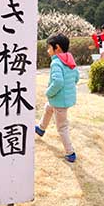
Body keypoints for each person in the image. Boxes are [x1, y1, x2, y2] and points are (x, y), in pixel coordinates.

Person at [35, 33, 80, 163]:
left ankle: (70, 153)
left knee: (62, 127)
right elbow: (76, 77)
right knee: (48, 107)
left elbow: (58, 82)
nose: (48, 50)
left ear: (57, 48)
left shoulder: (56, 63)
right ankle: (41, 128)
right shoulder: (70, 60)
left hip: (59, 100)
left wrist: (48, 92)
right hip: (64, 99)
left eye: (49, 47)